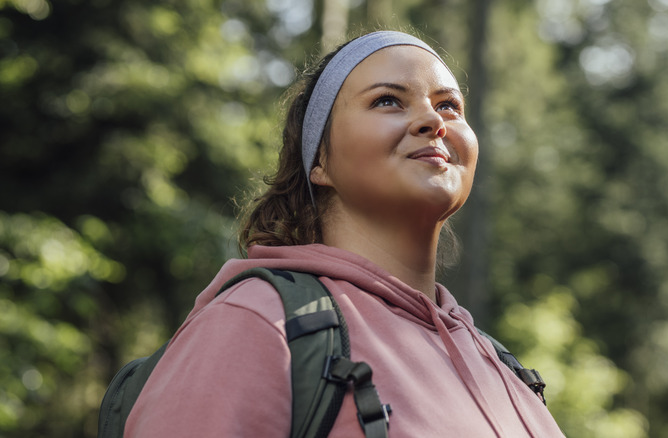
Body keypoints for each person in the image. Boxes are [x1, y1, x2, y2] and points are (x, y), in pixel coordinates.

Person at [124, 30, 565, 437]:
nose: (434, 120)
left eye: (448, 105)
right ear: (320, 160)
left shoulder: (502, 366)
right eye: (388, 100)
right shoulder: (259, 323)